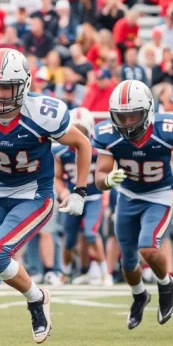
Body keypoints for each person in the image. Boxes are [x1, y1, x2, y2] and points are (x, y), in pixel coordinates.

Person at [0, 48, 92, 346]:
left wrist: (80, 190)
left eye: (6, 87)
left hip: (35, 193)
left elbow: (82, 143)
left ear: (23, 85)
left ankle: (37, 298)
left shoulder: (42, 113)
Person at [93, 80, 173, 329]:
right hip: (128, 197)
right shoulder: (109, 135)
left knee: (148, 248)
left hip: (160, 194)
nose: (128, 122)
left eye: (133, 115)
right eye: (121, 117)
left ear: (148, 111)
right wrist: (107, 179)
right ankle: (139, 295)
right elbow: (99, 177)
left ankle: (166, 285)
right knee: (128, 263)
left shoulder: (167, 129)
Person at [54, 108, 110, 285]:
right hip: (73, 196)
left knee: (91, 234)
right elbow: (56, 176)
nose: (78, 134)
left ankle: (104, 274)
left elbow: (109, 168)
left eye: (82, 130)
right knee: (69, 240)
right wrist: (62, 191)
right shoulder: (61, 152)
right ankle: (66, 273)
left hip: (94, 196)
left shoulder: (99, 149)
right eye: (75, 129)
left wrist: (108, 184)